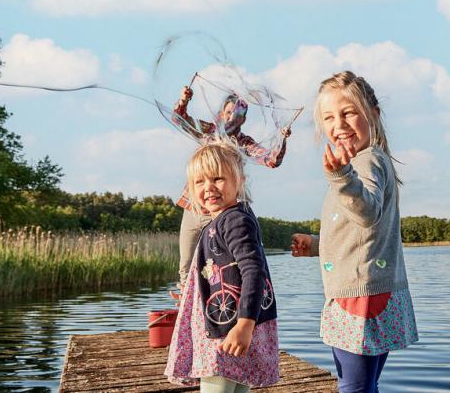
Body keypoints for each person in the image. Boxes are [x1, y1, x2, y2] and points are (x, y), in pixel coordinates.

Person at [290, 71, 418, 393]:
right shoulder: (366, 161)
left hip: (360, 296)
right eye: (329, 117)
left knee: (354, 388)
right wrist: (318, 244)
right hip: (369, 291)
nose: (339, 124)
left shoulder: (366, 160)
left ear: (373, 114)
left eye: (348, 112)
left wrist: (342, 176)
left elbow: (368, 211)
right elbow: (361, 233)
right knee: (363, 385)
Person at [165, 139, 279, 391]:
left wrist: (245, 324)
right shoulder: (226, 219)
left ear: (239, 181)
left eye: (217, 178)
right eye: (199, 182)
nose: (208, 188)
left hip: (229, 329)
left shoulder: (234, 220)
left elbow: (253, 270)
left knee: (218, 384)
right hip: (230, 325)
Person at [172, 85, 290, 288]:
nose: (231, 118)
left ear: (243, 120)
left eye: (237, 115)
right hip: (195, 206)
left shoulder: (243, 142)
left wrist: (281, 139)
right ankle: (185, 303)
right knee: (186, 263)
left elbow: (271, 160)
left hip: (222, 211)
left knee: (223, 261)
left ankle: (226, 296)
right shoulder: (208, 131)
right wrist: (184, 100)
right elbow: (178, 119)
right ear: (220, 114)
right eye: (228, 113)